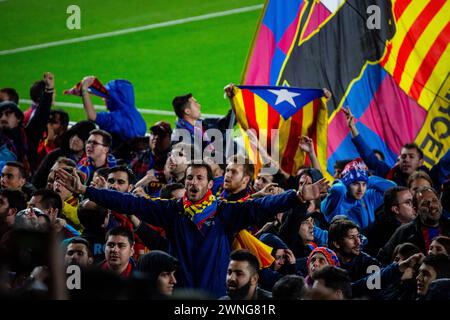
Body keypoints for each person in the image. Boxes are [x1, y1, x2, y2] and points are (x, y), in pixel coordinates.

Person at [56, 161, 328, 297]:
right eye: (189, 178)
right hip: (181, 298)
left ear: (210, 185)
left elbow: (263, 205)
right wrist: (86, 189)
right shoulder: (172, 211)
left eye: (199, 178)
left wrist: (298, 196)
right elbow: (130, 201)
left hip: (218, 298)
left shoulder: (225, 212)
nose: (193, 183)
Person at [343, 107, 449, 188]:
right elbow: (369, 157)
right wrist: (353, 128)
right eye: (403, 156)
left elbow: (446, 161)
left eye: (411, 157)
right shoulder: (389, 175)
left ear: (421, 162)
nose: (406, 159)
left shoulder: (432, 177)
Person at [378, 187, 450, 264]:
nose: (432, 206)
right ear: (415, 210)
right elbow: (382, 259)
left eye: (434, 200)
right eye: (425, 204)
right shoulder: (404, 232)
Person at [0, 72, 54, 174]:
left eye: (8, 114)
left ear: (18, 118)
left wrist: (49, 91)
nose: (3, 118)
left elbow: (41, 115)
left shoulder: (28, 135)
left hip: (26, 185)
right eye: (0, 115)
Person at [321, 157, 396, 229]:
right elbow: (338, 189)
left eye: (364, 184)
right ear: (346, 184)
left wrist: (368, 179)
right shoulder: (335, 201)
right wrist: (342, 181)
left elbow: (393, 188)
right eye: (355, 184)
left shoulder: (366, 197)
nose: (361, 189)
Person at [79, 76, 146, 146]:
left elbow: (91, 116)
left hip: (115, 155)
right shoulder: (138, 117)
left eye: (106, 96)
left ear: (115, 99)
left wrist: (84, 90)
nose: (103, 99)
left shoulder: (114, 119)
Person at [32, 120, 97, 189]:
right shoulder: (55, 155)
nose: (74, 139)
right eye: (73, 135)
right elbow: (37, 181)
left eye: (80, 137)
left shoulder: (92, 163)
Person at [363, 186, 417, 257]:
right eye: (408, 202)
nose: (414, 206)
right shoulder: (376, 235)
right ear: (396, 209)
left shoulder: (414, 224)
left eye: (413, 201)